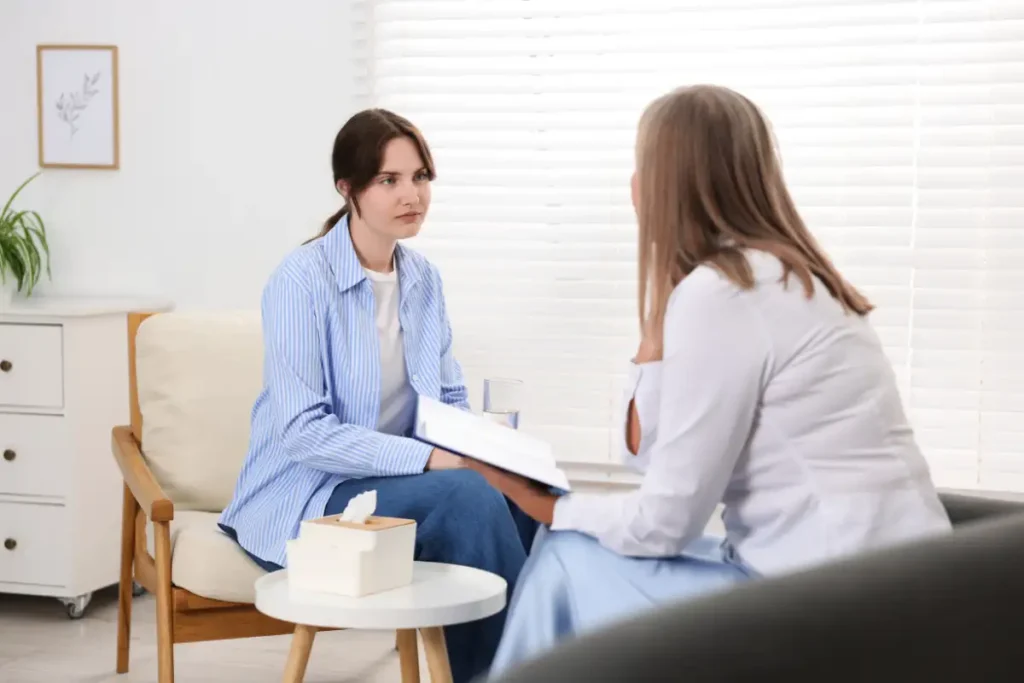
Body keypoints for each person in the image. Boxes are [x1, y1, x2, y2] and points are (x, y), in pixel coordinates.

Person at [467, 84, 954, 676]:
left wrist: (543, 504)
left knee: (566, 556)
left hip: (836, 606)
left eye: (643, 167)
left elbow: (664, 525)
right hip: (891, 586)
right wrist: (657, 324)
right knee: (571, 545)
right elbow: (650, 461)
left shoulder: (725, 295)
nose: (632, 185)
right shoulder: (776, 277)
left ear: (669, 182)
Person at [217, 108, 537, 683]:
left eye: (420, 177)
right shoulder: (299, 281)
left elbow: (447, 395)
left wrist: (481, 446)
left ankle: (542, 661)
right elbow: (303, 433)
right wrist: (434, 457)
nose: (411, 195)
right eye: (389, 180)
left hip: (394, 481)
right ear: (348, 189)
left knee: (525, 489)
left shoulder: (424, 279)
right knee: (468, 497)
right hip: (309, 494)